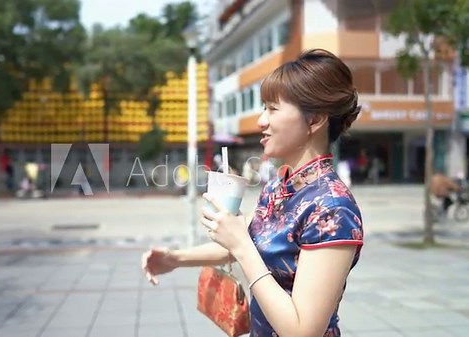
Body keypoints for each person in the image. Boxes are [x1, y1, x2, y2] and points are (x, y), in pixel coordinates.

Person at [142, 49, 364, 337]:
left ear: (314, 120)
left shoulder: (332, 207)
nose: (261, 120)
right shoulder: (278, 186)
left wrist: (242, 247)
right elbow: (246, 243)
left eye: (272, 109)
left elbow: (303, 331)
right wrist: (175, 258)